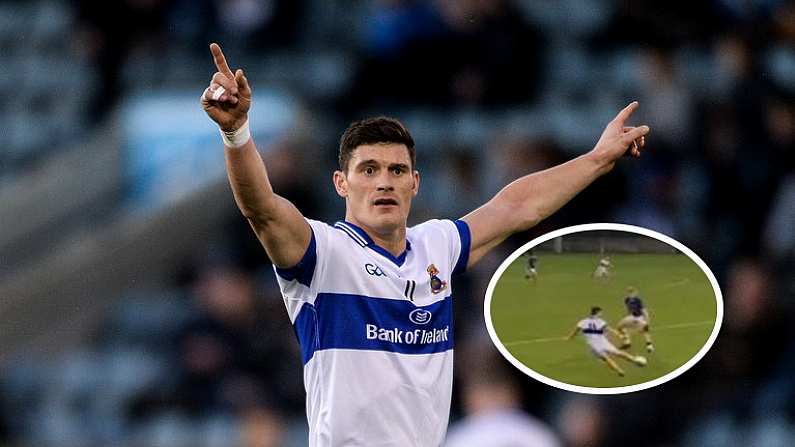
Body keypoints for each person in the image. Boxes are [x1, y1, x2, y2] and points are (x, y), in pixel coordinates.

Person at [200, 42, 650, 446]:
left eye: (397, 171)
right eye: (369, 169)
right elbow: (261, 207)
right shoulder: (322, 253)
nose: (384, 183)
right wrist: (236, 133)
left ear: (415, 183)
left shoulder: (437, 246)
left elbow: (516, 207)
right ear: (341, 183)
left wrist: (596, 159)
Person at [566, 307, 647, 377]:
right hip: (603, 342)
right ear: (597, 313)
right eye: (600, 312)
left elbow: (575, 331)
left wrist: (570, 337)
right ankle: (634, 360)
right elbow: (609, 329)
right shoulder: (601, 321)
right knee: (618, 353)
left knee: (606, 359)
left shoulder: (582, 321)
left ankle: (619, 371)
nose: (601, 314)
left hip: (594, 345)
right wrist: (619, 335)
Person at [617, 286, 654, 352]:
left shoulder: (638, 300)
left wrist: (647, 321)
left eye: (632, 292)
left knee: (645, 330)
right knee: (619, 326)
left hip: (639, 317)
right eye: (629, 292)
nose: (631, 294)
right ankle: (627, 342)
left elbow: (644, 311)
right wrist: (629, 317)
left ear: (635, 293)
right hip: (632, 317)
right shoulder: (626, 300)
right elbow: (628, 309)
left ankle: (649, 346)